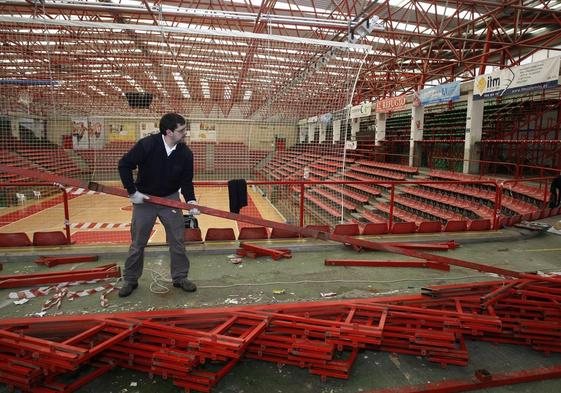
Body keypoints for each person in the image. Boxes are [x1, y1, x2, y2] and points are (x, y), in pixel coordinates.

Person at [118, 113, 200, 297]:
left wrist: (191, 201)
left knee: (178, 240)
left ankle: (180, 277)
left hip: (170, 199)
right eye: (181, 130)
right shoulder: (147, 145)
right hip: (145, 200)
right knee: (138, 243)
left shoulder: (185, 153)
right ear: (169, 132)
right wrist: (132, 192)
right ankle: (130, 279)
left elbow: (186, 181)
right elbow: (124, 164)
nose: (185, 133)